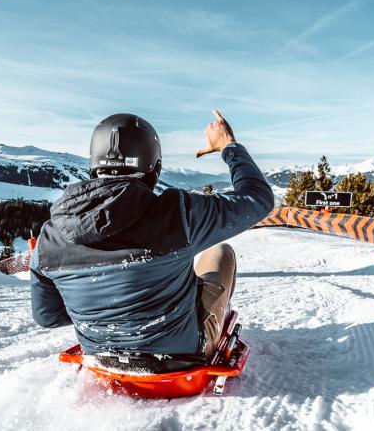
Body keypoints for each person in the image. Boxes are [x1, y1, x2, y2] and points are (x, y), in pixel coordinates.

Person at [30, 110, 273, 360]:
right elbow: (258, 200)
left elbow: (47, 316)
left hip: (100, 356)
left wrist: (100, 312)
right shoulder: (177, 214)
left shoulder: (50, 238)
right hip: (182, 356)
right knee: (220, 253)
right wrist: (229, 146)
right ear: (154, 168)